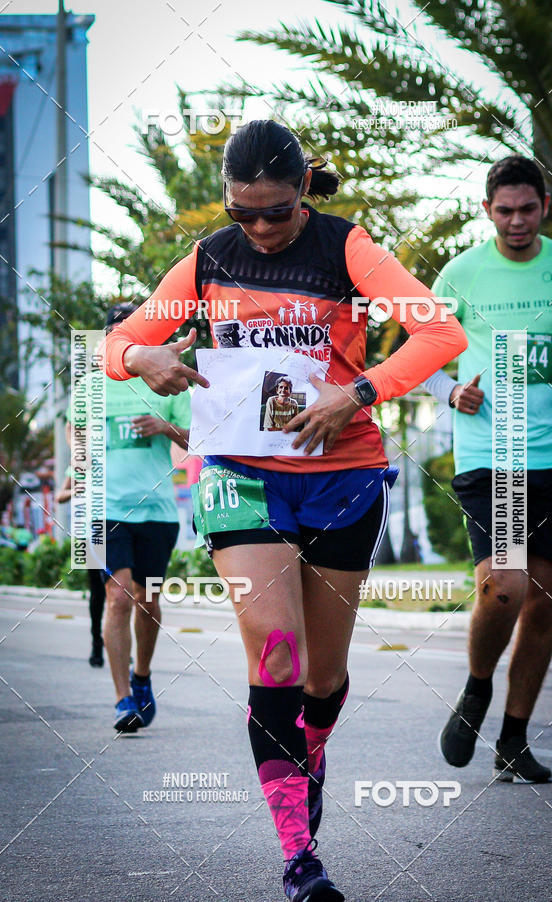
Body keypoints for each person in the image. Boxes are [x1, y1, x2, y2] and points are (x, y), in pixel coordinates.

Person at [104, 120, 467, 902]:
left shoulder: (347, 248)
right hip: (239, 472)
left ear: (303, 190)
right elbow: (125, 341)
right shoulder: (210, 259)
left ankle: (311, 747)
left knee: (323, 680)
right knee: (275, 652)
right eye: (242, 213)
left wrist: (358, 391)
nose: (260, 229)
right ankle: (300, 857)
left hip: (342, 474)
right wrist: (147, 355)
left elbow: (440, 330)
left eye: (274, 211)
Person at [423, 155, 552, 783]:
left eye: (528, 209)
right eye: (505, 210)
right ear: (486, 211)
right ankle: (476, 691)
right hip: (489, 456)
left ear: (545, 208)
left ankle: (514, 741)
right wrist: (451, 392)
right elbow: (421, 357)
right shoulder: (460, 274)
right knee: (506, 585)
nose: (517, 220)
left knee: (543, 603)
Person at [87, 303, 191, 732]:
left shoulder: (169, 383)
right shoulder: (91, 386)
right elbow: (80, 439)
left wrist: (165, 428)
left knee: (148, 600)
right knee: (118, 595)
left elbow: (199, 437)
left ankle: (142, 677)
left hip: (158, 509)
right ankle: (122, 700)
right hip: (103, 508)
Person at [55, 467, 106, 667]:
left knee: (120, 591)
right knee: (98, 591)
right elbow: (60, 496)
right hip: (92, 533)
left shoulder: (117, 457)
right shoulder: (81, 463)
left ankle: (116, 640)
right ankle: (97, 643)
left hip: (119, 529)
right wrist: (77, 489)